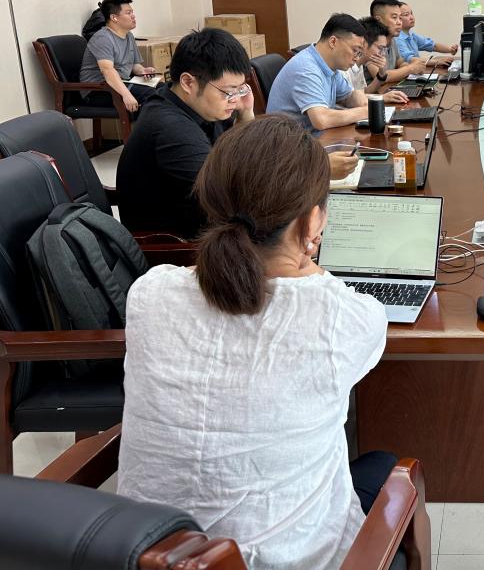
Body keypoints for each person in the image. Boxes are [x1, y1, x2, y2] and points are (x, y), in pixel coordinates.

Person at [118, 115, 394, 569]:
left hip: (148, 553)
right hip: (278, 559)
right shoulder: (343, 317)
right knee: (383, 464)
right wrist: (309, 258)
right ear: (313, 220)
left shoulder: (150, 292)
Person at [116, 28, 254, 238]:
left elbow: (237, 163)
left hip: (205, 222)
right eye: (229, 91)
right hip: (173, 245)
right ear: (188, 82)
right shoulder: (169, 128)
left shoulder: (200, 106)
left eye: (240, 89)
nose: (235, 99)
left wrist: (245, 115)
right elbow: (231, 195)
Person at [267, 13, 381, 131]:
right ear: (333, 42)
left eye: (359, 53)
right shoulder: (306, 68)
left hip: (312, 135)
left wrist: (359, 99)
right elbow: (321, 120)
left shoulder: (330, 66)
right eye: (355, 50)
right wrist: (365, 111)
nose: (356, 58)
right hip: (289, 139)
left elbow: (347, 97)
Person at [80, 0, 161, 113]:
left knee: (164, 89)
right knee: (151, 95)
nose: (133, 16)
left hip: (121, 82)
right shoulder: (102, 38)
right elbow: (107, 70)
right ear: (114, 18)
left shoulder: (129, 36)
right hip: (98, 90)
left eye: (132, 12)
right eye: (128, 13)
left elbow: (133, 64)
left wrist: (143, 70)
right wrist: (126, 94)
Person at [370, 0, 428, 82]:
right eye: (394, 17)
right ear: (378, 20)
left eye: (400, 18)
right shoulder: (370, 42)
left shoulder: (392, 39)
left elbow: (400, 62)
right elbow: (380, 77)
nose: (399, 22)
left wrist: (416, 68)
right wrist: (410, 68)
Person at [396, 1, 458, 68]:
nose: (411, 17)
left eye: (411, 13)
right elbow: (410, 60)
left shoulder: (411, 35)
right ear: (397, 19)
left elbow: (433, 46)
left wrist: (450, 49)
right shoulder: (397, 38)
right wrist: (436, 61)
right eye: (406, 15)